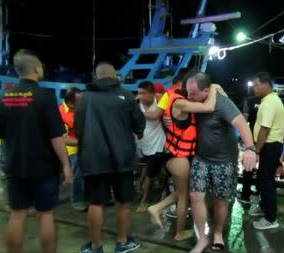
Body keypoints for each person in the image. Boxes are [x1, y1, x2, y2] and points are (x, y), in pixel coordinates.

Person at [0, 49, 73, 253]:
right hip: (43, 167)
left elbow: (1, 135)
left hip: (15, 165)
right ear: (37, 69)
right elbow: (56, 137)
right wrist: (66, 166)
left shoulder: (4, 98)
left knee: (17, 214)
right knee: (46, 214)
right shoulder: (45, 97)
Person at [75, 62, 145, 253]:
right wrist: (137, 132)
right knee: (123, 202)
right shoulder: (127, 96)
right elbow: (139, 125)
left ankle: (96, 247)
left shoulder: (84, 98)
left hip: (94, 158)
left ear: (96, 76)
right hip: (122, 159)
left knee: (95, 203)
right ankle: (122, 242)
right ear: (115, 76)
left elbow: (78, 128)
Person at [147, 73, 223, 241]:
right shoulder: (181, 102)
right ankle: (179, 233)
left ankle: (156, 208)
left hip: (177, 155)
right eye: (190, 88)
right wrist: (215, 88)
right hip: (178, 157)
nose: (191, 93)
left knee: (185, 192)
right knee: (183, 197)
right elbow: (209, 107)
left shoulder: (177, 98)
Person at [187, 71, 257, 253]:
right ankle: (202, 238)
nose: (189, 97)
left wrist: (250, 149)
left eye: (193, 94)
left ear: (206, 91)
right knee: (195, 197)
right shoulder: (195, 102)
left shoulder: (222, 102)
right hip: (201, 158)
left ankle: (217, 233)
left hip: (224, 161)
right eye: (188, 92)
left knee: (221, 200)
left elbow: (241, 123)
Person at [248, 72, 284, 230]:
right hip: (269, 146)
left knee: (267, 181)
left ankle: (271, 218)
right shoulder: (269, 100)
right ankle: (264, 208)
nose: (254, 88)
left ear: (266, 84)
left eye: (256, 85)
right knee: (264, 179)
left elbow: (265, 129)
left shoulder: (270, 102)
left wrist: (256, 151)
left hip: (269, 145)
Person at [134, 81, 167, 212]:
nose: (140, 96)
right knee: (149, 170)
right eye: (138, 93)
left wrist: (136, 112)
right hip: (142, 143)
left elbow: (155, 116)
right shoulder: (135, 104)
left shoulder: (160, 103)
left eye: (143, 93)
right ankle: (164, 189)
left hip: (158, 143)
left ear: (152, 94)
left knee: (149, 173)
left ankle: (145, 200)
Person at [58, 87, 86, 211]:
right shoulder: (61, 114)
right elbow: (62, 139)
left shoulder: (80, 108)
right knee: (77, 174)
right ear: (71, 103)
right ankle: (77, 199)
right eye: (80, 101)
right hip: (73, 150)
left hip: (85, 146)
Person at [239, 95, 261, 204]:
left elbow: (244, 120)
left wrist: (242, 136)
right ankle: (259, 193)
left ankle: (245, 195)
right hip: (267, 138)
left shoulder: (249, 101)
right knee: (264, 168)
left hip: (252, 138)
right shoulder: (269, 101)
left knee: (249, 165)